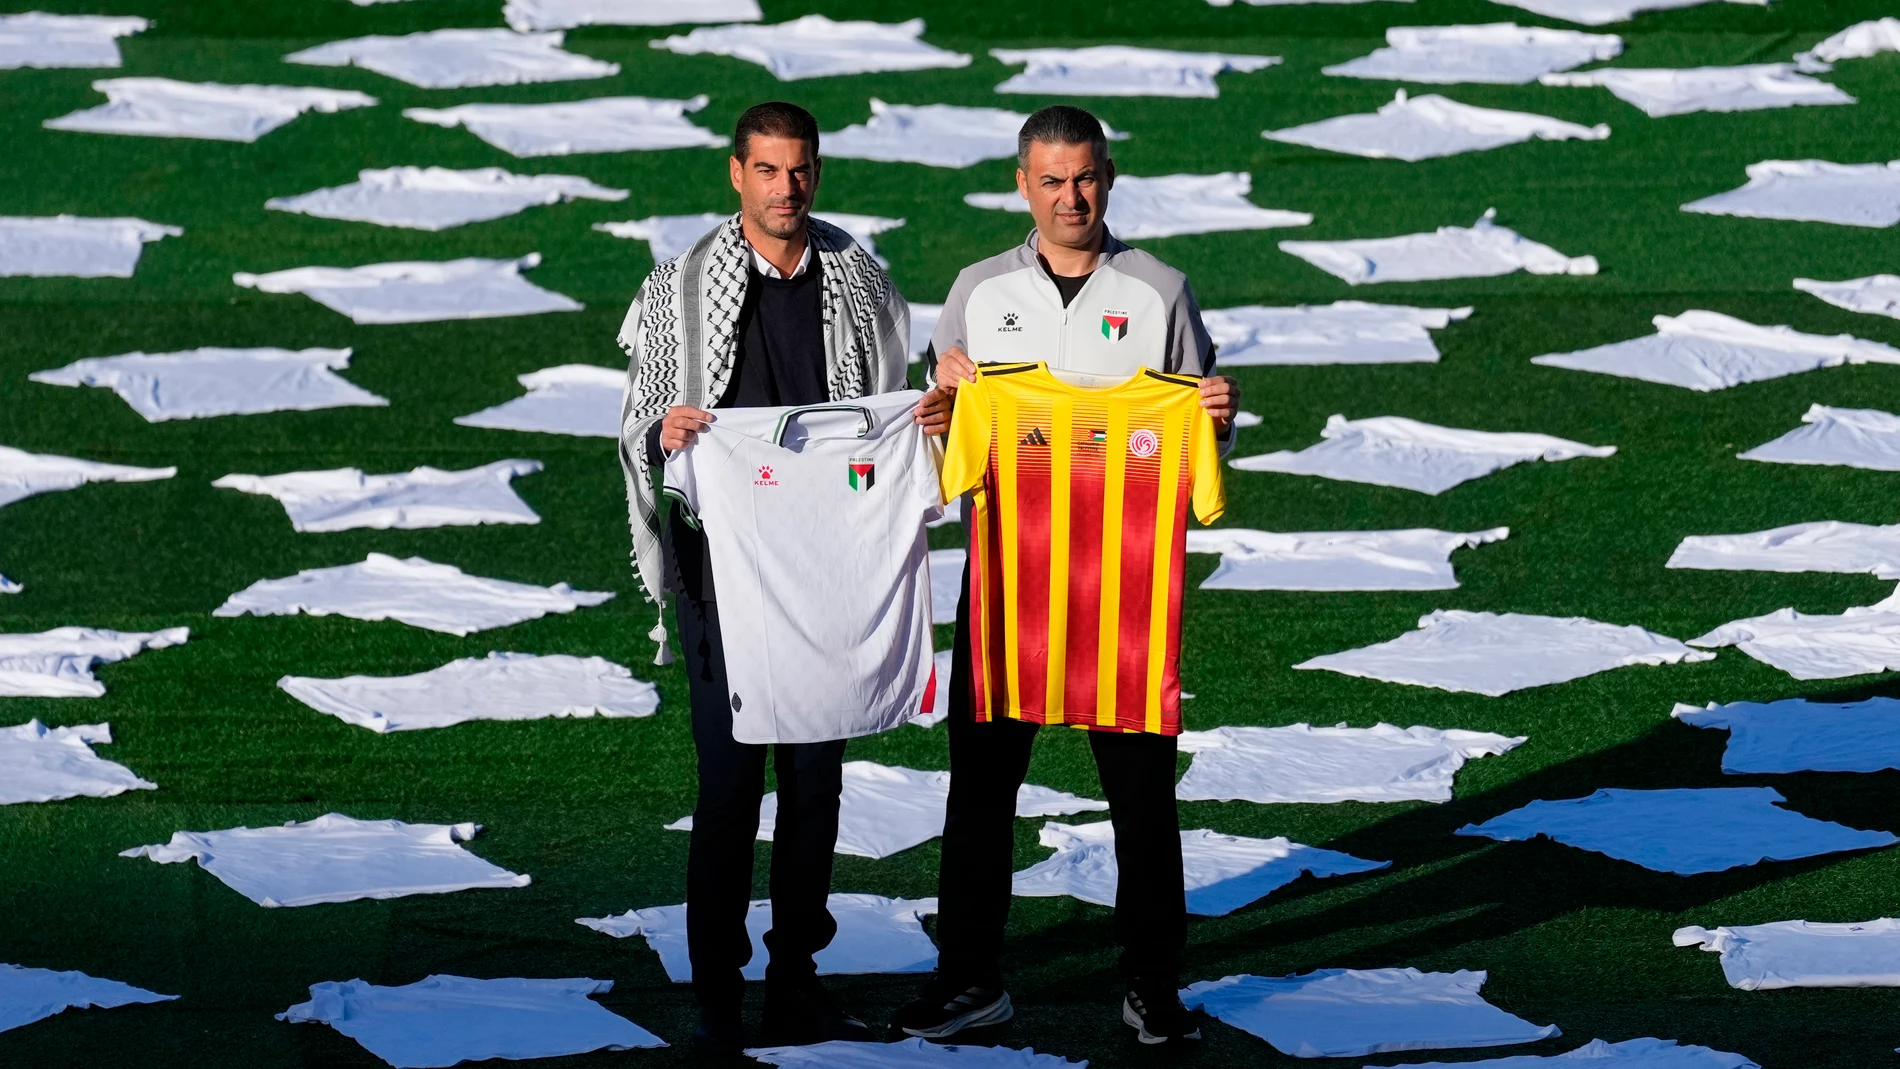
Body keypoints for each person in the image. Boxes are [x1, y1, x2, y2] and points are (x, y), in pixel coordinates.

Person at [903, 104, 1239, 1046]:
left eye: (1084, 177)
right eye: (1050, 181)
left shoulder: (1162, 288)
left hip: (1123, 589)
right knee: (980, 791)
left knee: (1142, 795)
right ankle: (970, 977)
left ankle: (1153, 980)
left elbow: (1199, 436)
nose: (1070, 197)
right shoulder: (976, 292)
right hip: (1007, 584)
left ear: (1110, 176)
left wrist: (1217, 412)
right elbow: (945, 453)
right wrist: (943, 412)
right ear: (1022, 184)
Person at [615, 101, 912, 1054]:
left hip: (828, 566)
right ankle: (716, 990)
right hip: (721, 573)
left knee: (817, 784)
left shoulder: (858, 278)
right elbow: (636, 423)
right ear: (736, 173)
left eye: (802, 170)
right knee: (731, 785)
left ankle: (795, 977)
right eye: (770, 171)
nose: (788, 189)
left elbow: (890, 405)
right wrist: (665, 438)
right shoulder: (682, 288)